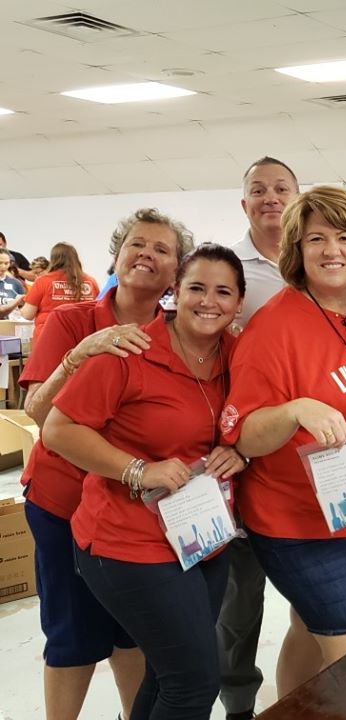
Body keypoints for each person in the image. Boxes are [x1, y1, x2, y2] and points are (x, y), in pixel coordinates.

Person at [43, 243, 248, 720]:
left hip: (202, 538)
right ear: (175, 292)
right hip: (127, 543)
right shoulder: (129, 350)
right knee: (195, 683)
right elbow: (58, 429)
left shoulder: (238, 354)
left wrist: (238, 451)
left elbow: (248, 417)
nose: (208, 301)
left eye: (224, 292)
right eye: (196, 288)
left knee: (167, 673)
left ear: (239, 303)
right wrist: (139, 469)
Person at [220, 185, 346, 698]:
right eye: (315, 238)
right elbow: (244, 434)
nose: (331, 250)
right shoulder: (272, 327)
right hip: (296, 523)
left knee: (308, 625)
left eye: (344, 237)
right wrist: (294, 410)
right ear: (296, 249)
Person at [19, 208, 192, 720]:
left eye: (163, 250)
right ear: (116, 256)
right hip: (63, 503)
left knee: (132, 633)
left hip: (136, 512)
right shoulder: (72, 321)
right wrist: (79, 355)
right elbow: (35, 411)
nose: (148, 255)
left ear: (176, 272)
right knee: (72, 633)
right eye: (137, 244)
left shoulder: (178, 333)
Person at [218, 155, 299, 720]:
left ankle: (304, 696)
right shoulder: (230, 270)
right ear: (243, 204)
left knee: (312, 596)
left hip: (309, 462)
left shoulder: (320, 262)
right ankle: (240, 705)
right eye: (258, 190)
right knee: (239, 602)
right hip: (240, 449)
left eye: (281, 188)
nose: (270, 197)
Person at [21, 242, 99, 342]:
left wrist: (20, 305)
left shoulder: (43, 281)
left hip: (48, 339)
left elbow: (27, 314)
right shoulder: (91, 282)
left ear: (53, 260)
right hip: (82, 340)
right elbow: (97, 311)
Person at [0, 248, 26, 318]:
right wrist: (16, 301)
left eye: (6, 263)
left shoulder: (16, 283)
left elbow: (23, 308)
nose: (3, 266)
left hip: (10, 325)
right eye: (0, 263)